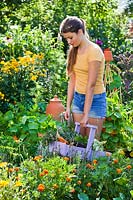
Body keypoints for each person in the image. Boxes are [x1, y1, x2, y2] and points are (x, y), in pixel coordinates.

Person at [60, 16, 106, 140]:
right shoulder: (73, 52)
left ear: (80, 32)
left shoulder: (94, 51)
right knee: (79, 142)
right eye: (66, 39)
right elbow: (72, 80)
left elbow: (91, 85)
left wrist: (86, 114)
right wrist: (68, 106)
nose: (69, 42)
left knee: (92, 143)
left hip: (95, 100)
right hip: (78, 99)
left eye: (71, 37)